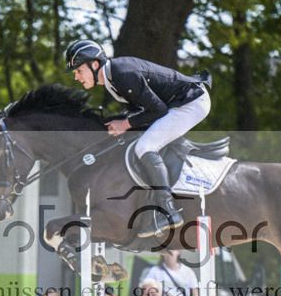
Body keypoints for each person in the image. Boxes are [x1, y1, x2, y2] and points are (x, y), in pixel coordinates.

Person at [64, 39, 212, 238]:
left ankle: (168, 211)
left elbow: (157, 110)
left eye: (78, 71)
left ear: (95, 64)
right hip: (175, 103)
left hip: (191, 103)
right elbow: (140, 111)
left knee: (145, 146)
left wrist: (125, 124)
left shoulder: (122, 75)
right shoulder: (113, 78)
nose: (76, 77)